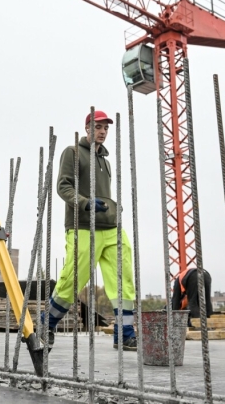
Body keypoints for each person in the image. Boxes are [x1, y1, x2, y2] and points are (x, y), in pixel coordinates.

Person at [44, 110, 137, 351]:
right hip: (83, 226)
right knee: (74, 277)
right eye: (97, 127)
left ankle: (125, 333)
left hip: (111, 227)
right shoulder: (73, 152)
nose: (102, 132)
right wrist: (85, 202)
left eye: (106, 128)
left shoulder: (105, 161)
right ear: (87, 128)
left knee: (123, 279)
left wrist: (114, 208)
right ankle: (48, 323)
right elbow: (63, 186)